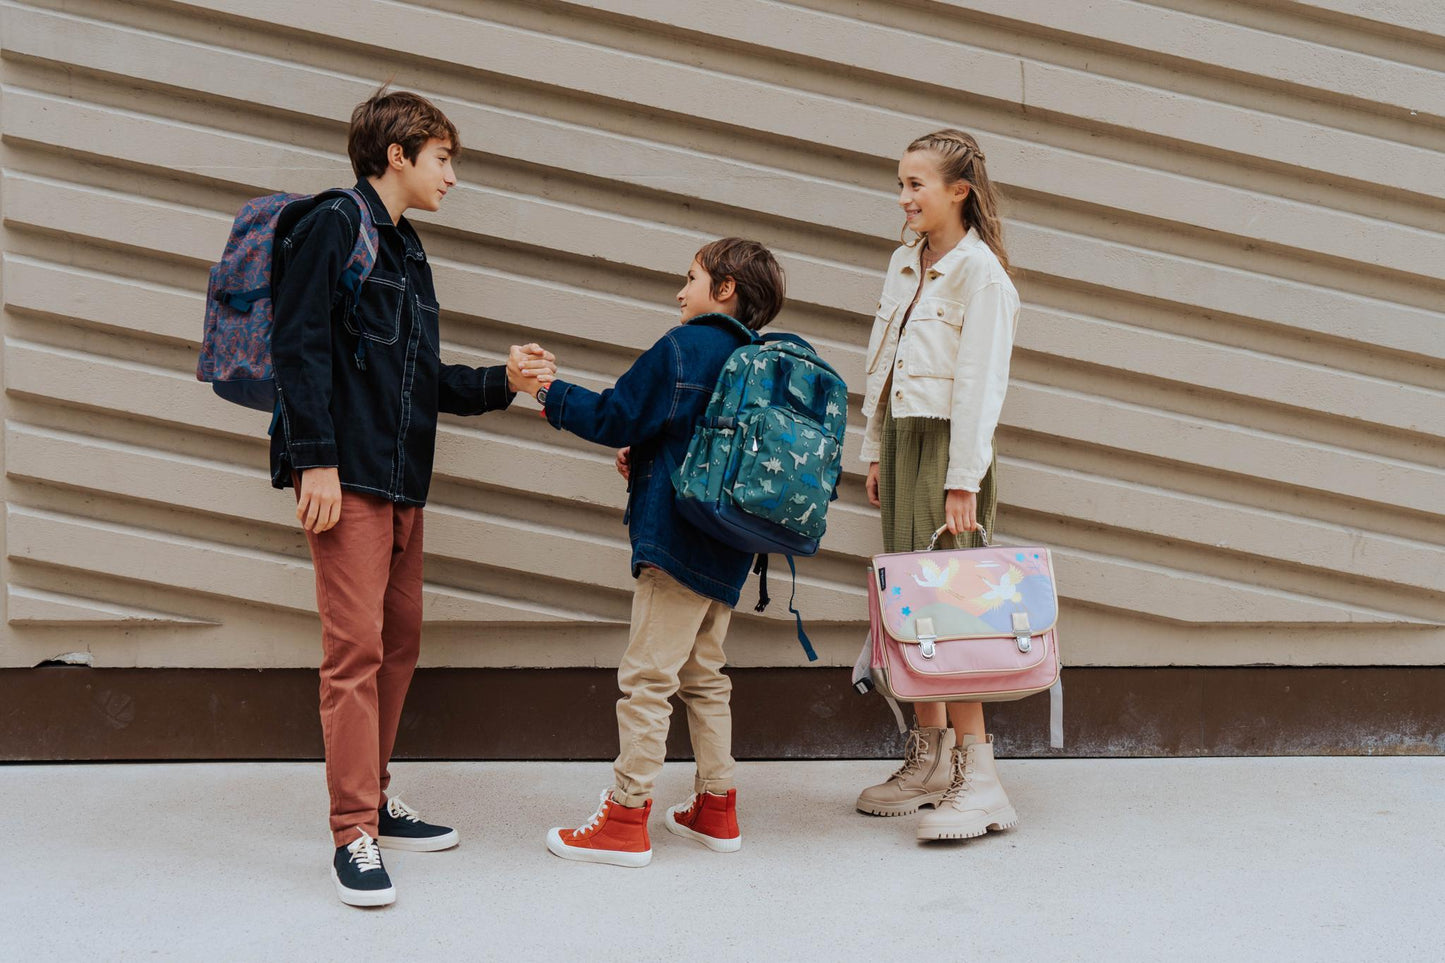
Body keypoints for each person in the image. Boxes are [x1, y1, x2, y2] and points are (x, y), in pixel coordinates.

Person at [270, 86, 555, 905]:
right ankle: (352, 829)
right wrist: (313, 461)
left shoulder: (407, 250)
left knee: (397, 642)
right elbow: (298, 347)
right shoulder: (334, 224)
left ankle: (376, 794)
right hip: (348, 477)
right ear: (397, 154)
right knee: (352, 652)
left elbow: (419, 382)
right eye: (443, 158)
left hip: (401, 484)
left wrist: (503, 380)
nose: (452, 176)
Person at [523, 238, 786, 867]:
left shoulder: (686, 347)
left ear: (724, 289)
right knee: (703, 676)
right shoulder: (757, 362)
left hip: (675, 542)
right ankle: (716, 809)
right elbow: (689, 439)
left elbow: (618, 415)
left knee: (645, 680)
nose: (680, 291)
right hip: (730, 546)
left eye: (690, 278)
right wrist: (643, 453)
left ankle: (625, 817)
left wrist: (546, 390)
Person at [855, 129, 1022, 840]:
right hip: (903, 440)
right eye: (900, 183)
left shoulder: (982, 275)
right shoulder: (905, 262)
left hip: (950, 453)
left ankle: (981, 780)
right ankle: (929, 759)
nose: (903, 198)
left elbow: (982, 386)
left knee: (952, 616)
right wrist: (873, 448)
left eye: (915, 184)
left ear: (958, 191)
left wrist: (962, 479)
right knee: (910, 609)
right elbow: (883, 363)